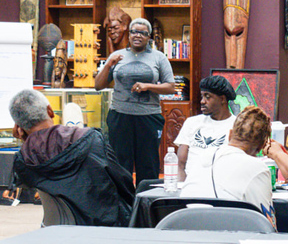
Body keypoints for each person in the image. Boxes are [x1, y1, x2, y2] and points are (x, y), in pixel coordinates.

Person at [9, 89, 135, 227]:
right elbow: (124, 182)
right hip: (105, 226)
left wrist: (26, 140)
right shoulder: (91, 139)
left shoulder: (24, 160)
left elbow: (28, 179)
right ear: (50, 111)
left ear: (18, 127)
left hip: (58, 228)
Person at [95, 18, 175, 186]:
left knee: (148, 164)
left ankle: (146, 203)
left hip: (148, 118)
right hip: (120, 117)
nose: (138, 35)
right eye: (134, 32)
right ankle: (123, 205)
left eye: (143, 33)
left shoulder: (158, 58)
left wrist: (148, 86)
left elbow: (171, 87)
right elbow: (98, 85)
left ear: (149, 37)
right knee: (119, 163)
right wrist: (109, 64)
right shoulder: (116, 56)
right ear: (129, 34)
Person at [180, 106, 276, 230]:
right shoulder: (258, 168)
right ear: (261, 146)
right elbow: (267, 224)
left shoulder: (202, 157)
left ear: (230, 134)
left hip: (186, 233)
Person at [174, 75, 236, 181]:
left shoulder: (237, 126)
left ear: (222, 99)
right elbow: (180, 164)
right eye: (202, 96)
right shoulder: (192, 122)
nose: (202, 101)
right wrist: (181, 191)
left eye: (207, 97)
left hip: (221, 186)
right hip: (190, 185)